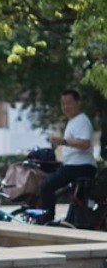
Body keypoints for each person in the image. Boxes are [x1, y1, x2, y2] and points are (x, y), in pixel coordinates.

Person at [40, 89, 97, 223]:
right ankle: (70, 220)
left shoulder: (81, 120)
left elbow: (85, 143)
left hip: (80, 166)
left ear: (78, 103)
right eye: (63, 104)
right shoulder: (73, 121)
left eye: (69, 103)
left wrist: (63, 141)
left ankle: (47, 220)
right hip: (74, 165)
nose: (66, 107)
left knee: (46, 186)